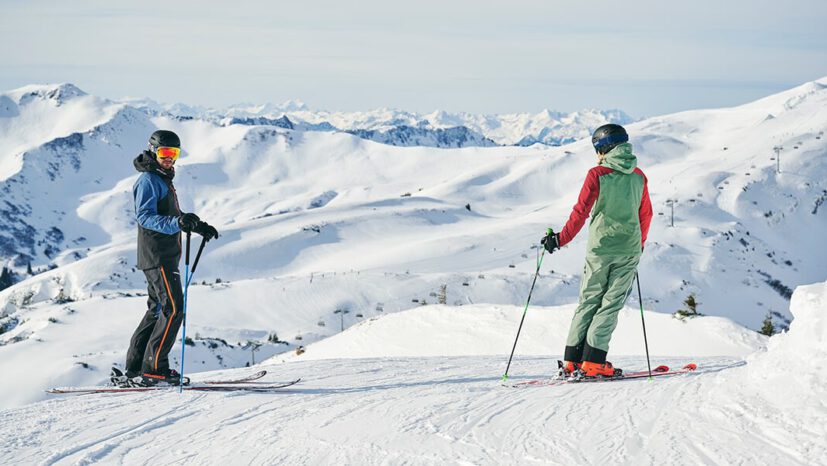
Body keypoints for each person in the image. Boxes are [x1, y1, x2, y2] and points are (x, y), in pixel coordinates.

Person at [541, 123, 652, 378]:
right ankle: (593, 361)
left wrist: (559, 240)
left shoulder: (597, 174)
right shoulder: (639, 176)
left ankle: (573, 361)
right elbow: (646, 214)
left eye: (597, 149)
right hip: (629, 250)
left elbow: (580, 212)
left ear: (604, 148)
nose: (597, 155)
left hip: (600, 250)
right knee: (610, 305)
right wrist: (639, 244)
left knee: (589, 301)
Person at [116, 130, 219, 386]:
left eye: (174, 154)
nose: (169, 159)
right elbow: (145, 217)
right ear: (152, 151)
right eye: (164, 153)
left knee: (157, 310)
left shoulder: (162, 179)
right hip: (158, 255)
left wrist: (197, 225)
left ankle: (135, 367)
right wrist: (177, 222)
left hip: (161, 256)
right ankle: (155, 369)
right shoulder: (149, 180)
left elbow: (172, 214)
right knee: (174, 309)